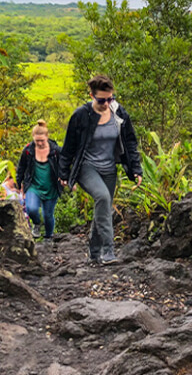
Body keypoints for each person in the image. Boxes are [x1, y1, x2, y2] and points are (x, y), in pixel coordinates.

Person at [59, 75, 143, 265]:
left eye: (110, 99)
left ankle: (94, 252)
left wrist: (135, 169)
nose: (106, 103)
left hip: (109, 168)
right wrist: (63, 172)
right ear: (92, 96)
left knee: (103, 206)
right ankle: (108, 251)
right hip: (86, 167)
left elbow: (130, 142)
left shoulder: (118, 112)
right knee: (103, 198)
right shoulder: (81, 115)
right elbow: (69, 147)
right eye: (101, 100)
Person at [16, 120, 63, 239]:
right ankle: (36, 223)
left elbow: (65, 164)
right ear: (33, 138)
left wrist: (66, 178)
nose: (40, 143)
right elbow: (21, 167)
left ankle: (48, 237)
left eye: (42, 140)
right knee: (31, 209)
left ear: (47, 137)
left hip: (51, 186)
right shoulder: (28, 150)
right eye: (37, 141)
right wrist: (18, 183)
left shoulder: (56, 150)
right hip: (34, 185)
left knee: (48, 215)